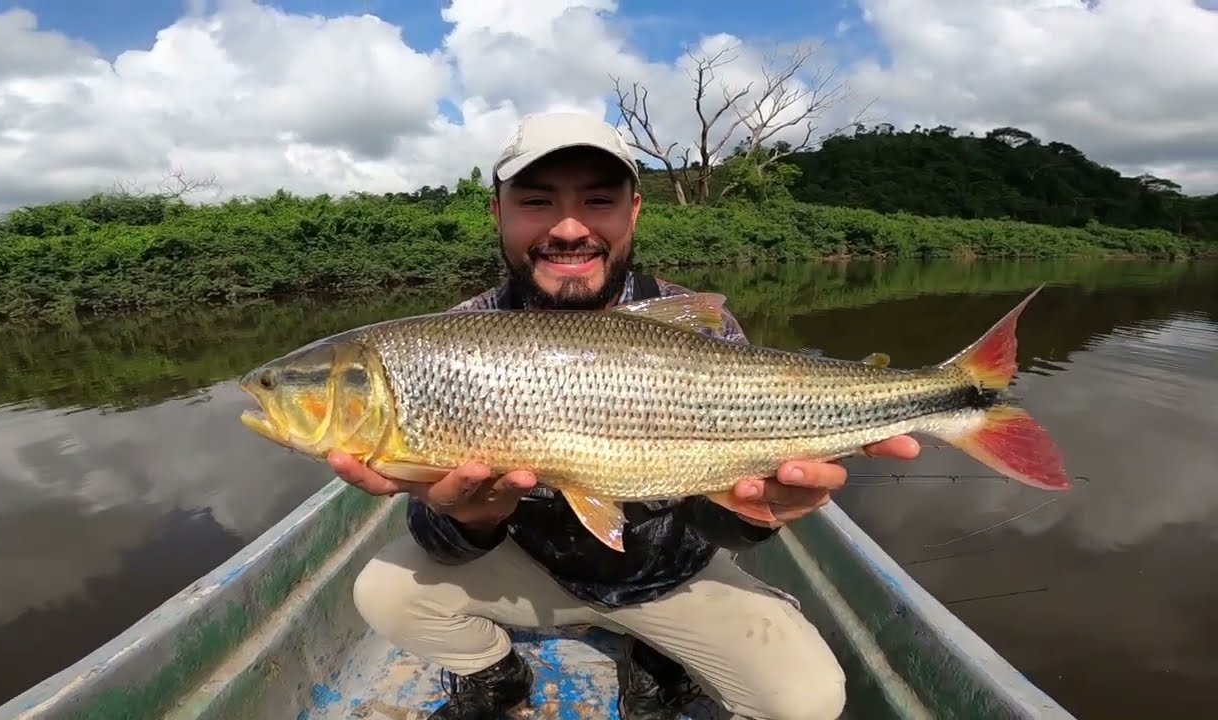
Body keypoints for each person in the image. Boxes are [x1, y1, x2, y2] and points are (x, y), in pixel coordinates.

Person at [330, 112, 921, 720]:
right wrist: (472, 520)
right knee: (383, 591)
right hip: (530, 570)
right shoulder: (451, 340)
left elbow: (725, 524)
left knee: (808, 702)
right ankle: (496, 673)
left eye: (598, 201)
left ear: (634, 210)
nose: (567, 228)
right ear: (497, 212)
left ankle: (657, 655)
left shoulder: (700, 327)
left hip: (668, 577)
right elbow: (444, 545)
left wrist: (758, 516)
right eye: (536, 201)